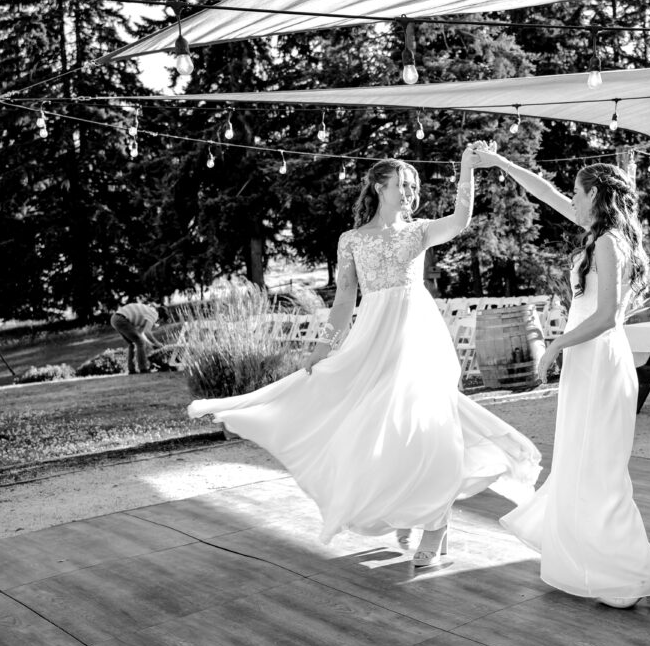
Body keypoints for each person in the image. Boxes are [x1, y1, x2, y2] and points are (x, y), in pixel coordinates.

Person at [187, 146, 540, 566]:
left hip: (418, 335)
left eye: (412, 186)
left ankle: (436, 521)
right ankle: (416, 507)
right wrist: (322, 349)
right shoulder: (351, 240)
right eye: (401, 185)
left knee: (429, 423)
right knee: (381, 428)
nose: (409, 193)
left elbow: (461, 221)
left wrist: (465, 168)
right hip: (374, 336)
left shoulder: (420, 231)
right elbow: (343, 302)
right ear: (378, 187)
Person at [484, 151, 650, 610]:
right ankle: (600, 565)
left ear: (596, 195)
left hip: (597, 356)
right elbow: (543, 192)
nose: (572, 198)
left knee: (599, 466)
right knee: (581, 461)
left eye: (579, 191)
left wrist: (554, 345)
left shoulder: (607, 241)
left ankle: (636, 573)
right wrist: (500, 162)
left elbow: (606, 316)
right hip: (589, 359)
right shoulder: (599, 233)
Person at [109, 302, 163, 375]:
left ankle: (131, 370)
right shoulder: (154, 314)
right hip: (121, 319)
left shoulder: (148, 313)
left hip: (115, 318)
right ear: (161, 317)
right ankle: (143, 369)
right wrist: (156, 343)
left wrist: (151, 344)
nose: (157, 324)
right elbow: (147, 332)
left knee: (133, 344)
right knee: (140, 343)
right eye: (160, 322)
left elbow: (140, 334)